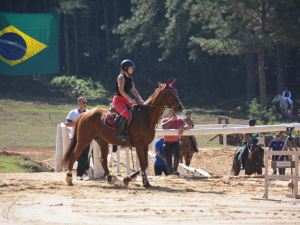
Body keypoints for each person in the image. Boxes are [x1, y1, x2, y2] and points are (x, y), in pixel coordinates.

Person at [113, 59, 144, 141]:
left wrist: (140, 99)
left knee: (136, 111)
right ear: (125, 68)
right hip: (118, 100)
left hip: (126, 100)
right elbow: (121, 91)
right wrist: (132, 100)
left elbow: (134, 90)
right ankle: (120, 134)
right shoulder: (121, 77)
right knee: (126, 114)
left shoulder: (130, 78)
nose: (133, 69)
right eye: (131, 68)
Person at [65, 96, 92, 180]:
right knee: (77, 154)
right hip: (75, 137)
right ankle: (88, 168)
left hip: (87, 137)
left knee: (84, 155)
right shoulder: (72, 113)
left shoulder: (89, 113)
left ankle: (79, 175)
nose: (85, 104)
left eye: (86, 102)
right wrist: (78, 124)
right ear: (79, 103)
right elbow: (67, 124)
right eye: (84, 102)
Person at [161, 109, 189, 175]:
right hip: (167, 143)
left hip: (175, 142)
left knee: (177, 155)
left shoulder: (180, 120)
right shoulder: (164, 120)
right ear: (169, 113)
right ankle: (170, 174)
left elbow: (187, 125)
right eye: (172, 112)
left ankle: (175, 170)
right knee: (168, 162)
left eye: (175, 112)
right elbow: (163, 126)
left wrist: (183, 128)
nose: (174, 114)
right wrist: (171, 120)